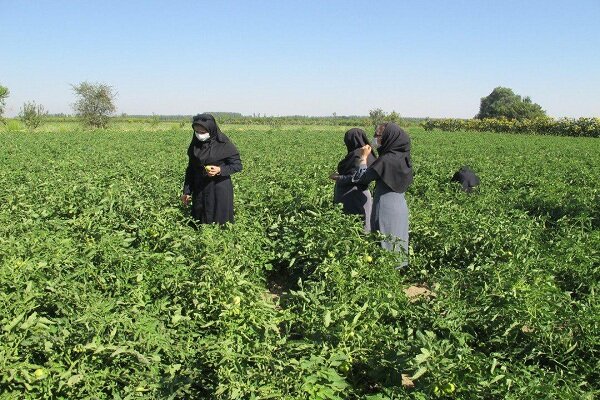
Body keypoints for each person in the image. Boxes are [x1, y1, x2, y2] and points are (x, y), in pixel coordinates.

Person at [332, 123, 413, 266]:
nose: (374, 138)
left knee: (383, 237)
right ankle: (396, 271)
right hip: (400, 205)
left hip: (386, 205)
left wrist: (363, 158)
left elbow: (362, 178)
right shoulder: (402, 157)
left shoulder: (386, 160)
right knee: (397, 238)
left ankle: (384, 273)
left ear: (389, 137)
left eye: (378, 135)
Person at [181, 114, 242, 225]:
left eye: (202, 132)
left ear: (211, 130)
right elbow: (191, 170)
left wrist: (220, 170)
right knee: (199, 221)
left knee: (220, 222)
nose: (199, 135)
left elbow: (237, 165)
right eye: (197, 132)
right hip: (200, 188)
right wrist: (187, 191)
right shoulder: (195, 145)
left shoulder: (224, 144)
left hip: (219, 189)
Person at [330, 128, 377, 231]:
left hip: (353, 196)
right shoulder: (366, 154)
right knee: (360, 225)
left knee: (355, 227)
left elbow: (358, 178)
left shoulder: (358, 155)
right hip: (358, 195)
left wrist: (339, 177)